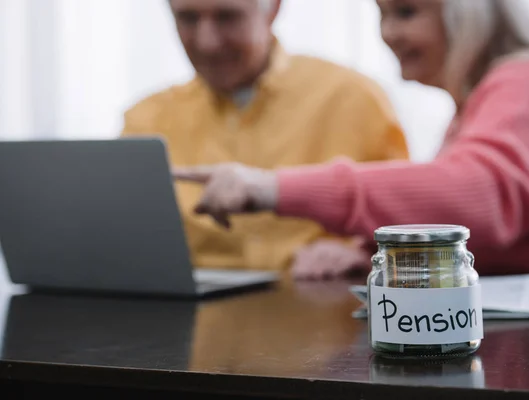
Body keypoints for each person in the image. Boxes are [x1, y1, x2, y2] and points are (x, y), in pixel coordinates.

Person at [174, 0, 529, 276]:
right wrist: (372, 255)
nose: (388, 33)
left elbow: (478, 197)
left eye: (407, 12)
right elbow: (493, 240)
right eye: (383, 14)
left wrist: (270, 187)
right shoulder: (477, 106)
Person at [122, 0, 409, 278]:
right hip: (193, 318)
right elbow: (124, 242)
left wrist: (364, 253)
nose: (207, 41)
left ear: (272, 8)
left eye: (227, 17)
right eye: (187, 18)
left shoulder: (354, 100)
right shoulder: (146, 121)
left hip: (319, 308)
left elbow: (407, 230)